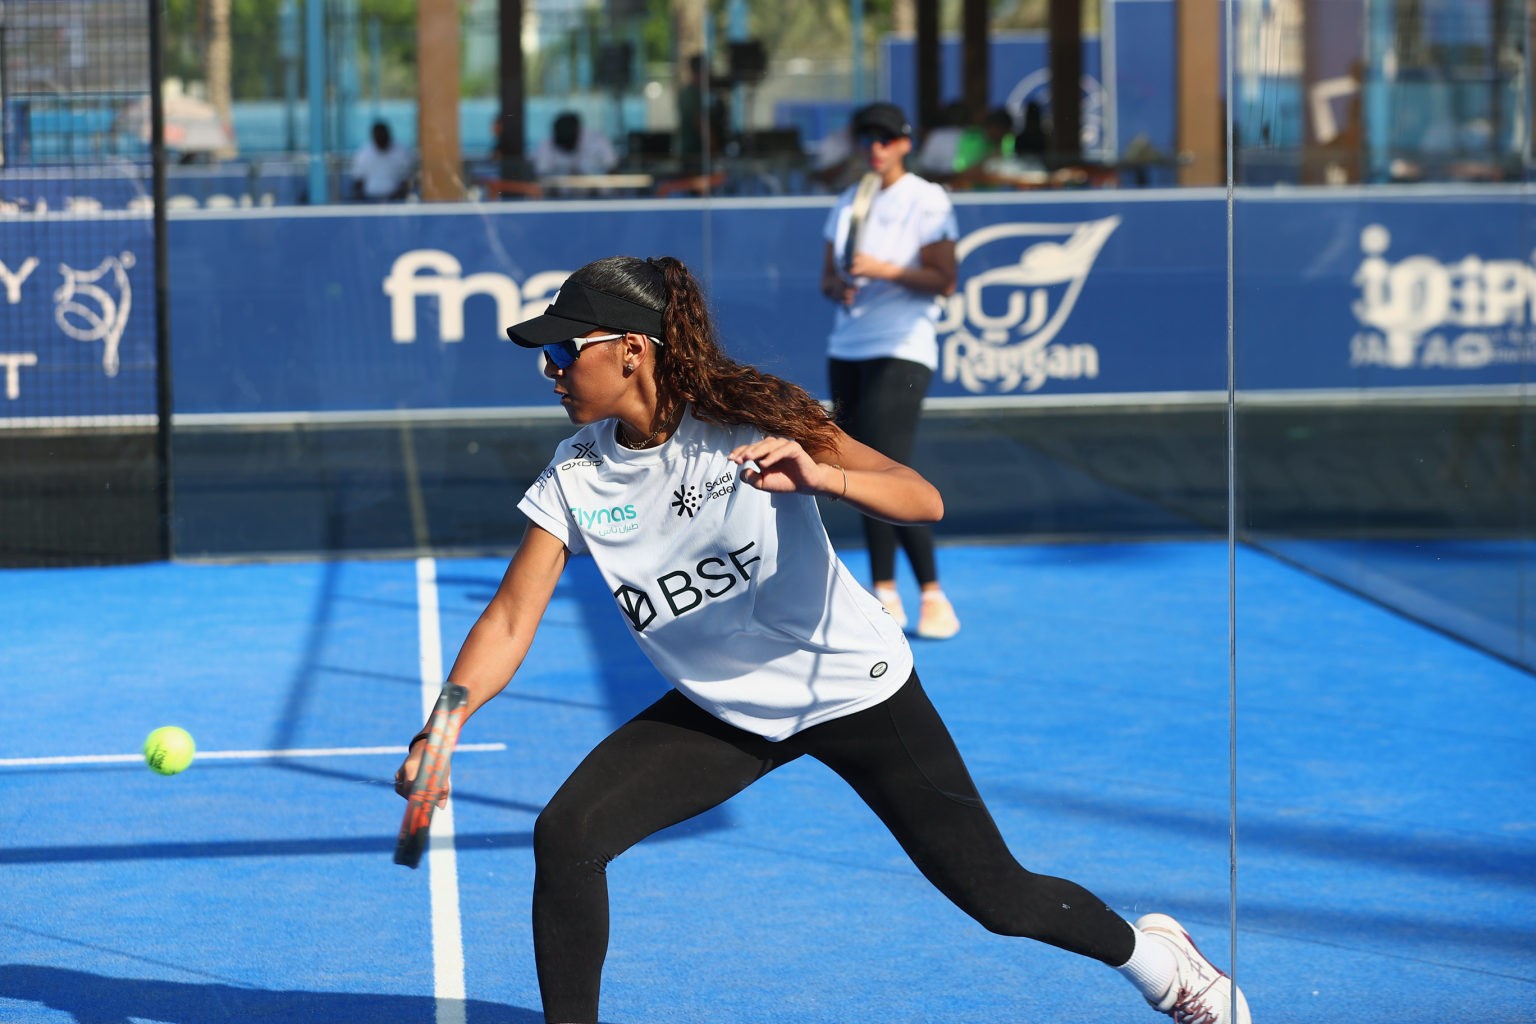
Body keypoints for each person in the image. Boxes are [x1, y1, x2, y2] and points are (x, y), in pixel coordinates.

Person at [394, 255, 1252, 1024]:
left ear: (630, 350)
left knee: (999, 899)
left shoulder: (749, 416)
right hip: (726, 710)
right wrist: (446, 722)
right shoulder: (576, 474)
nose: (549, 369)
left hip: (852, 688)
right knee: (569, 833)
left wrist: (824, 477)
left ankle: (1160, 964)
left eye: (562, 349)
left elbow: (921, 498)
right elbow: (510, 617)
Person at [820, 102, 961, 639]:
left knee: (889, 467)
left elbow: (945, 279)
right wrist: (841, 286)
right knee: (863, 469)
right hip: (847, 347)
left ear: (905, 143)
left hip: (903, 346)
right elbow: (827, 280)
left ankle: (932, 594)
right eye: (866, 139)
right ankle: (885, 592)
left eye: (885, 138)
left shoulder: (927, 198)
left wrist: (883, 270)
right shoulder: (848, 202)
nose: (875, 148)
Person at [531, 111, 618, 177]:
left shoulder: (597, 140)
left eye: (569, 143)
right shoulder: (546, 144)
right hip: (558, 193)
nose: (566, 148)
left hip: (597, 192)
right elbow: (540, 173)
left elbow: (611, 167)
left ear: (578, 133)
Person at [350, 121, 413, 201]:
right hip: (370, 199)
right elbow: (358, 180)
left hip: (395, 200)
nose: (380, 138)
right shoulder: (363, 153)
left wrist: (399, 196)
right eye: (378, 136)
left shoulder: (401, 152)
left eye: (382, 135)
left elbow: (407, 180)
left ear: (388, 135)